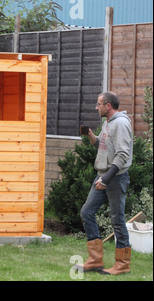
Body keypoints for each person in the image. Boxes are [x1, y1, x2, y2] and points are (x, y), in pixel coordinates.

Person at [78, 91, 133, 275]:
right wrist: (92, 136)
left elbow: (123, 154)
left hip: (115, 178)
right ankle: (95, 260)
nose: (96, 107)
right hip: (103, 175)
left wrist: (106, 179)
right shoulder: (108, 123)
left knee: (117, 220)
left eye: (98, 104)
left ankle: (122, 264)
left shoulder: (121, 123)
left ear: (108, 106)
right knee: (87, 212)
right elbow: (102, 145)